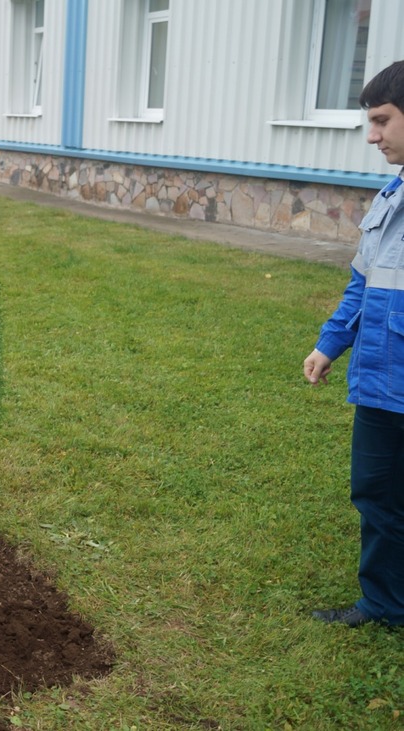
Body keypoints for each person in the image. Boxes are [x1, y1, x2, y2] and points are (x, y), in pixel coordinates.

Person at [303, 59, 404, 628]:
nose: (373, 136)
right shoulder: (390, 198)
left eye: (383, 121)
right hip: (380, 384)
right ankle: (386, 605)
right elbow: (363, 284)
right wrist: (329, 345)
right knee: (377, 498)